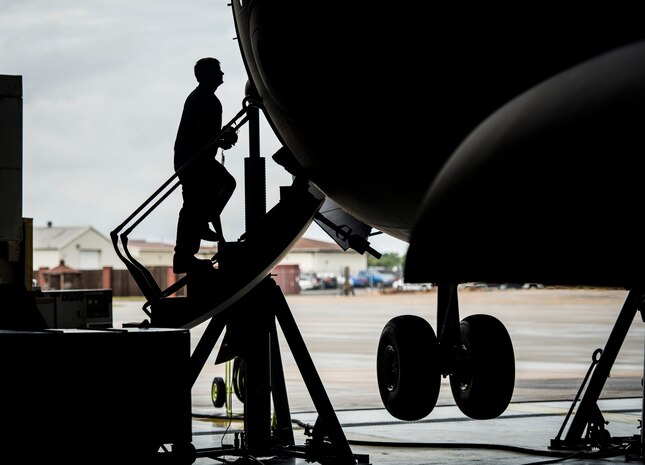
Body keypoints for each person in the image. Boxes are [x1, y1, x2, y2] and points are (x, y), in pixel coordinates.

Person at [173, 57, 238, 274]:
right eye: (218, 71)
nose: (222, 74)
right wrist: (222, 138)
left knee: (194, 204)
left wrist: (221, 138)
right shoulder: (203, 99)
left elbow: (204, 132)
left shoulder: (204, 98)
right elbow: (202, 130)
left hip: (194, 160)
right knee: (219, 188)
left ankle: (185, 253)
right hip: (194, 161)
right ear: (207, 75)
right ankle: (187, 250)